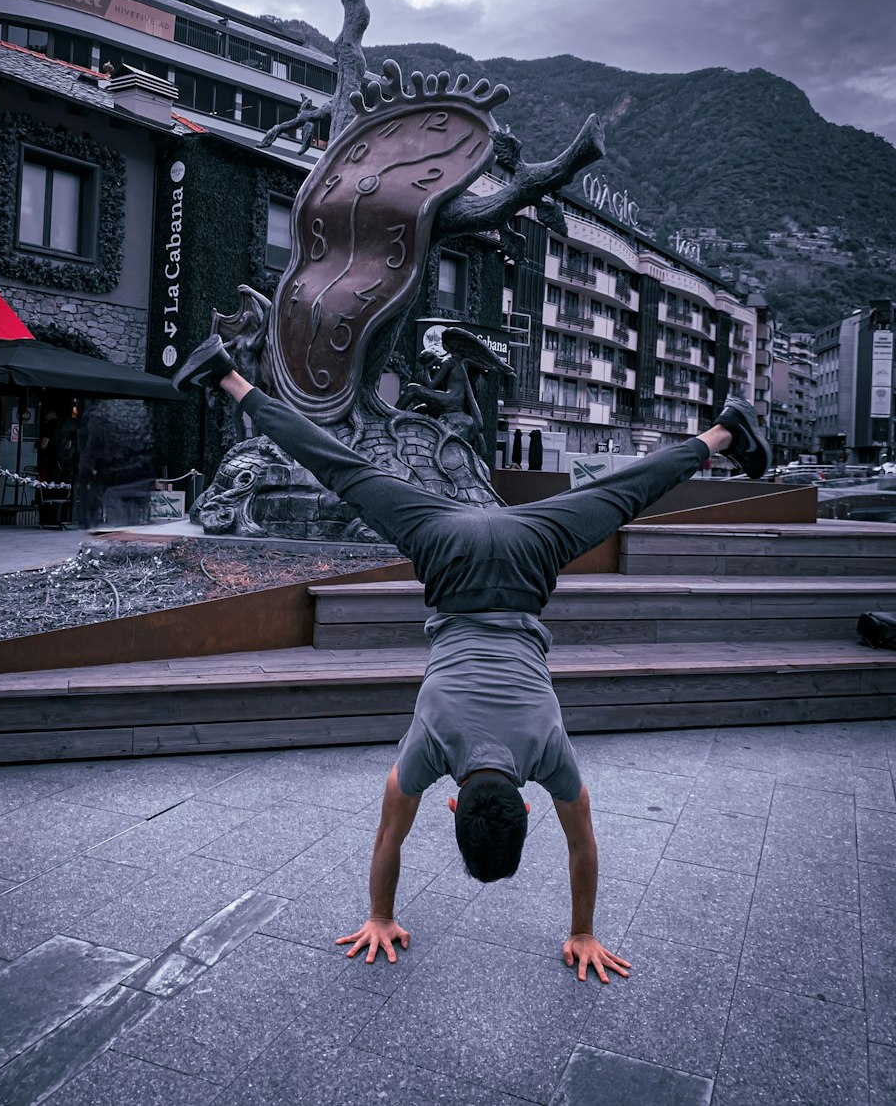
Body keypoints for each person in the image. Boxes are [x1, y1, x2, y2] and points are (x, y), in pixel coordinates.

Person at [175, 335, 771, 982]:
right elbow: (388, 838)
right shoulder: (428, 751)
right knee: (342, 468)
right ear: (452, 807)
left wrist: (584, 932)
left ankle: (723, 432)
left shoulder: (549, 755)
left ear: (529, 806)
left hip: (528, 548)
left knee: (628, 491)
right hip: (446, 545)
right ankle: (228, 376)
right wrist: (378, 916)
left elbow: (584, 846)